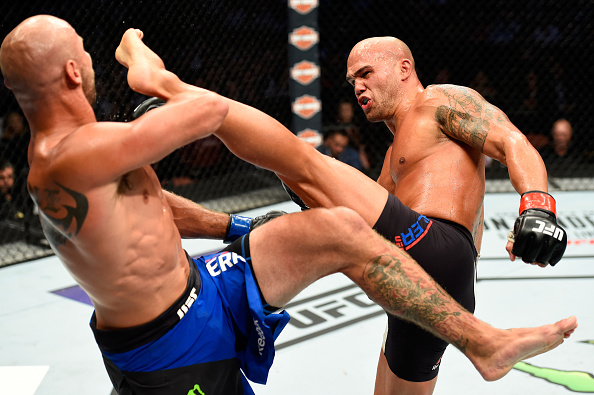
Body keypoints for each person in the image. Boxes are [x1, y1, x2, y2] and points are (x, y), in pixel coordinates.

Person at [0, 17, 576, 395]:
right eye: (351, 79)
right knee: (329, 212)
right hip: (427, 273)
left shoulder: (443, 102)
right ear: (73, 72)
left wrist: (538, 204)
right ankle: (483, 342)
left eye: (366, 73)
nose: (357, 86)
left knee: (304, 165)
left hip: (438, 247)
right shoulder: (72, 159)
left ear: (405, 67)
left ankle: (164, 78)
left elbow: (513, 141)